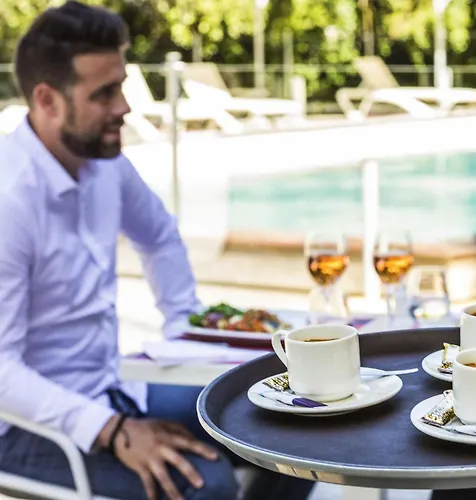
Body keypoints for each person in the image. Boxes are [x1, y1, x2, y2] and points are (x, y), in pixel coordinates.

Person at [0, 3, 315, 500]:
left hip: (114, 387)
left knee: (283, 421)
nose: (124, 107)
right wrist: (114, 430)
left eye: (121, 86)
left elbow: (159, 235)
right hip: (23, 425)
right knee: (206, 484)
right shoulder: (9, 199)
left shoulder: (105, 165)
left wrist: (182, 325)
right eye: (104, 93)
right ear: (47, 100)